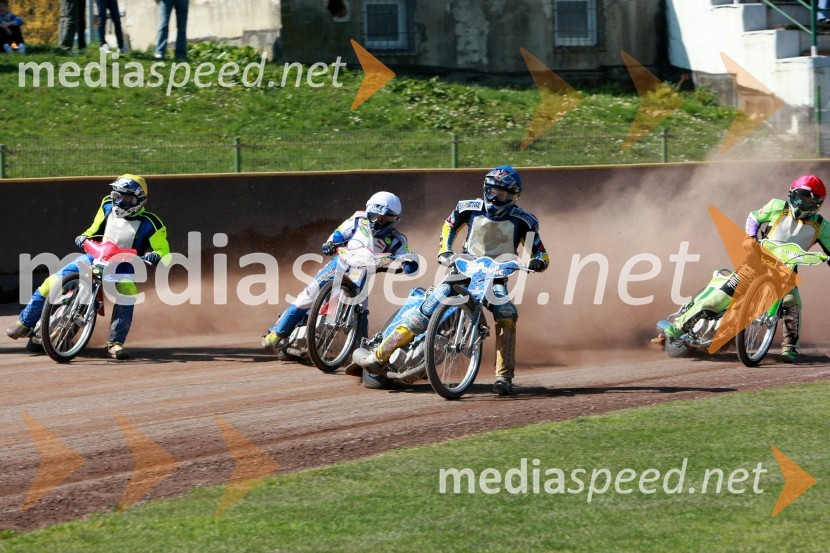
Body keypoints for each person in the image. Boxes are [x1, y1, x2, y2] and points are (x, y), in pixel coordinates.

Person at [353, 166, 549, 395]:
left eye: (503, 194)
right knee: (425, 310)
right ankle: (378, 357)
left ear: (514, 195)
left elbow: (541, 252)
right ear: (486, 189)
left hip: (495, 278)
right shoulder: (468, 207)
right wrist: (445, 250)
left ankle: (503, 377)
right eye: (493, 191)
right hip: (463, 269)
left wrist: (538, 262)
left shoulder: (525, 221)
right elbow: (450, 226)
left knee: (506, 313)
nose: (496, 198)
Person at [664, 174, 830, 363]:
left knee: (793, 301)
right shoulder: (777, 206)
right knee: (717, 301)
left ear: (817, 203)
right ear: (791, 194)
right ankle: (677, 327)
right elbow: (754, 217)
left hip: (786, 273)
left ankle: (789, 348)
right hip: (755, 264)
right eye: (798, 196)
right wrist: (750, 237)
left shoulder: (821, 227)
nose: (801, 203)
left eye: (807, 199)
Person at [6, 174, 171, 360]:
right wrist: (84, 236)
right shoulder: (107, 204)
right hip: (94, 256)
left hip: (122, 266)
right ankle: (24, 323)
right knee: (50, 282)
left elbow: (164, 251)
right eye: (118, 196)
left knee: (127, 291)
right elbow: (94, 229)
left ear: (140, 200)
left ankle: (115, 343)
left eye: (127, 198)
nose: (120, 202)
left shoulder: (152, 223)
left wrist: (156, 255)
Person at [261, 191, 417, 355]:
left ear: (395, 220)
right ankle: (276, 335)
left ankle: (359, 354)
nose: (379, 222)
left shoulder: (398, 239)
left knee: (361, 310)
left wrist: (409, 263)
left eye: (386, 219)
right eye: (376, 216)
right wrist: (331, 243)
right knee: (306, 297)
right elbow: (340, 233)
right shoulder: (358, 219)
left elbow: (405, 255)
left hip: (363, 273)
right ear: (369, 211)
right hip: (339, 264)